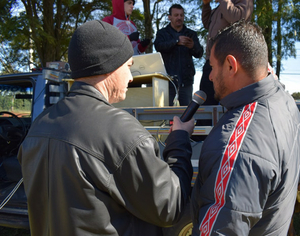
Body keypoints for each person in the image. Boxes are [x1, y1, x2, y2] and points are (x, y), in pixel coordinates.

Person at [18, 20, 195, 236]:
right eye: (129, 66)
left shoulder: (38, 126)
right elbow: (170, 207)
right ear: (109, 66)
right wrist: (179, 140)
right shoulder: (122, 132)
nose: (131, 78)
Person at [190, 21, 300, 235]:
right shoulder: (285, 102)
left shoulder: (236, 147)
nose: (210, 76)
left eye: (212, 67)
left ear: (231, 65)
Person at [199, 0, 253, 105]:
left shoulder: (244, 2)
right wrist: (206, 5)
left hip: (228, 63)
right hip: (211, 61)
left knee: (226, 104)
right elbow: (206, 23)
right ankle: (205, 122)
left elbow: (236, 18)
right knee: (206, 101)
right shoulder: (220, 7)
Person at [154, 4, 204, 106]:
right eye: (176, 15)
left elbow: (199, 53)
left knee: (187, 113)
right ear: (169, 17)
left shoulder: (191, 34)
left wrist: (193, 46)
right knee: (165, 113)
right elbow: (158, 46)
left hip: (186, 80)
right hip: (168, 80)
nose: (179, 18)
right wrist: (176, 41)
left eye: (181, 15)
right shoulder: (162, 33)